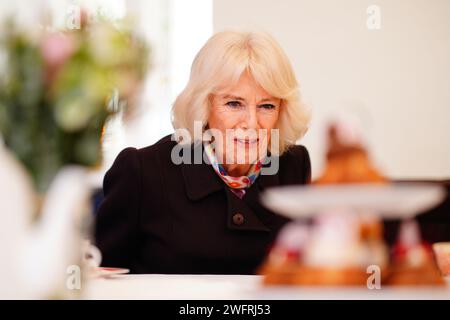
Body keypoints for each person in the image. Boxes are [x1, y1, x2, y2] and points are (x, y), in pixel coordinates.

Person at [95, 30, 311, 274]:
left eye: (267, 106)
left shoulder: (295, 165)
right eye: (233, 103)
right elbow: (101, 279)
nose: (251, 123)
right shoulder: (142, 171)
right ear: (203, 104)